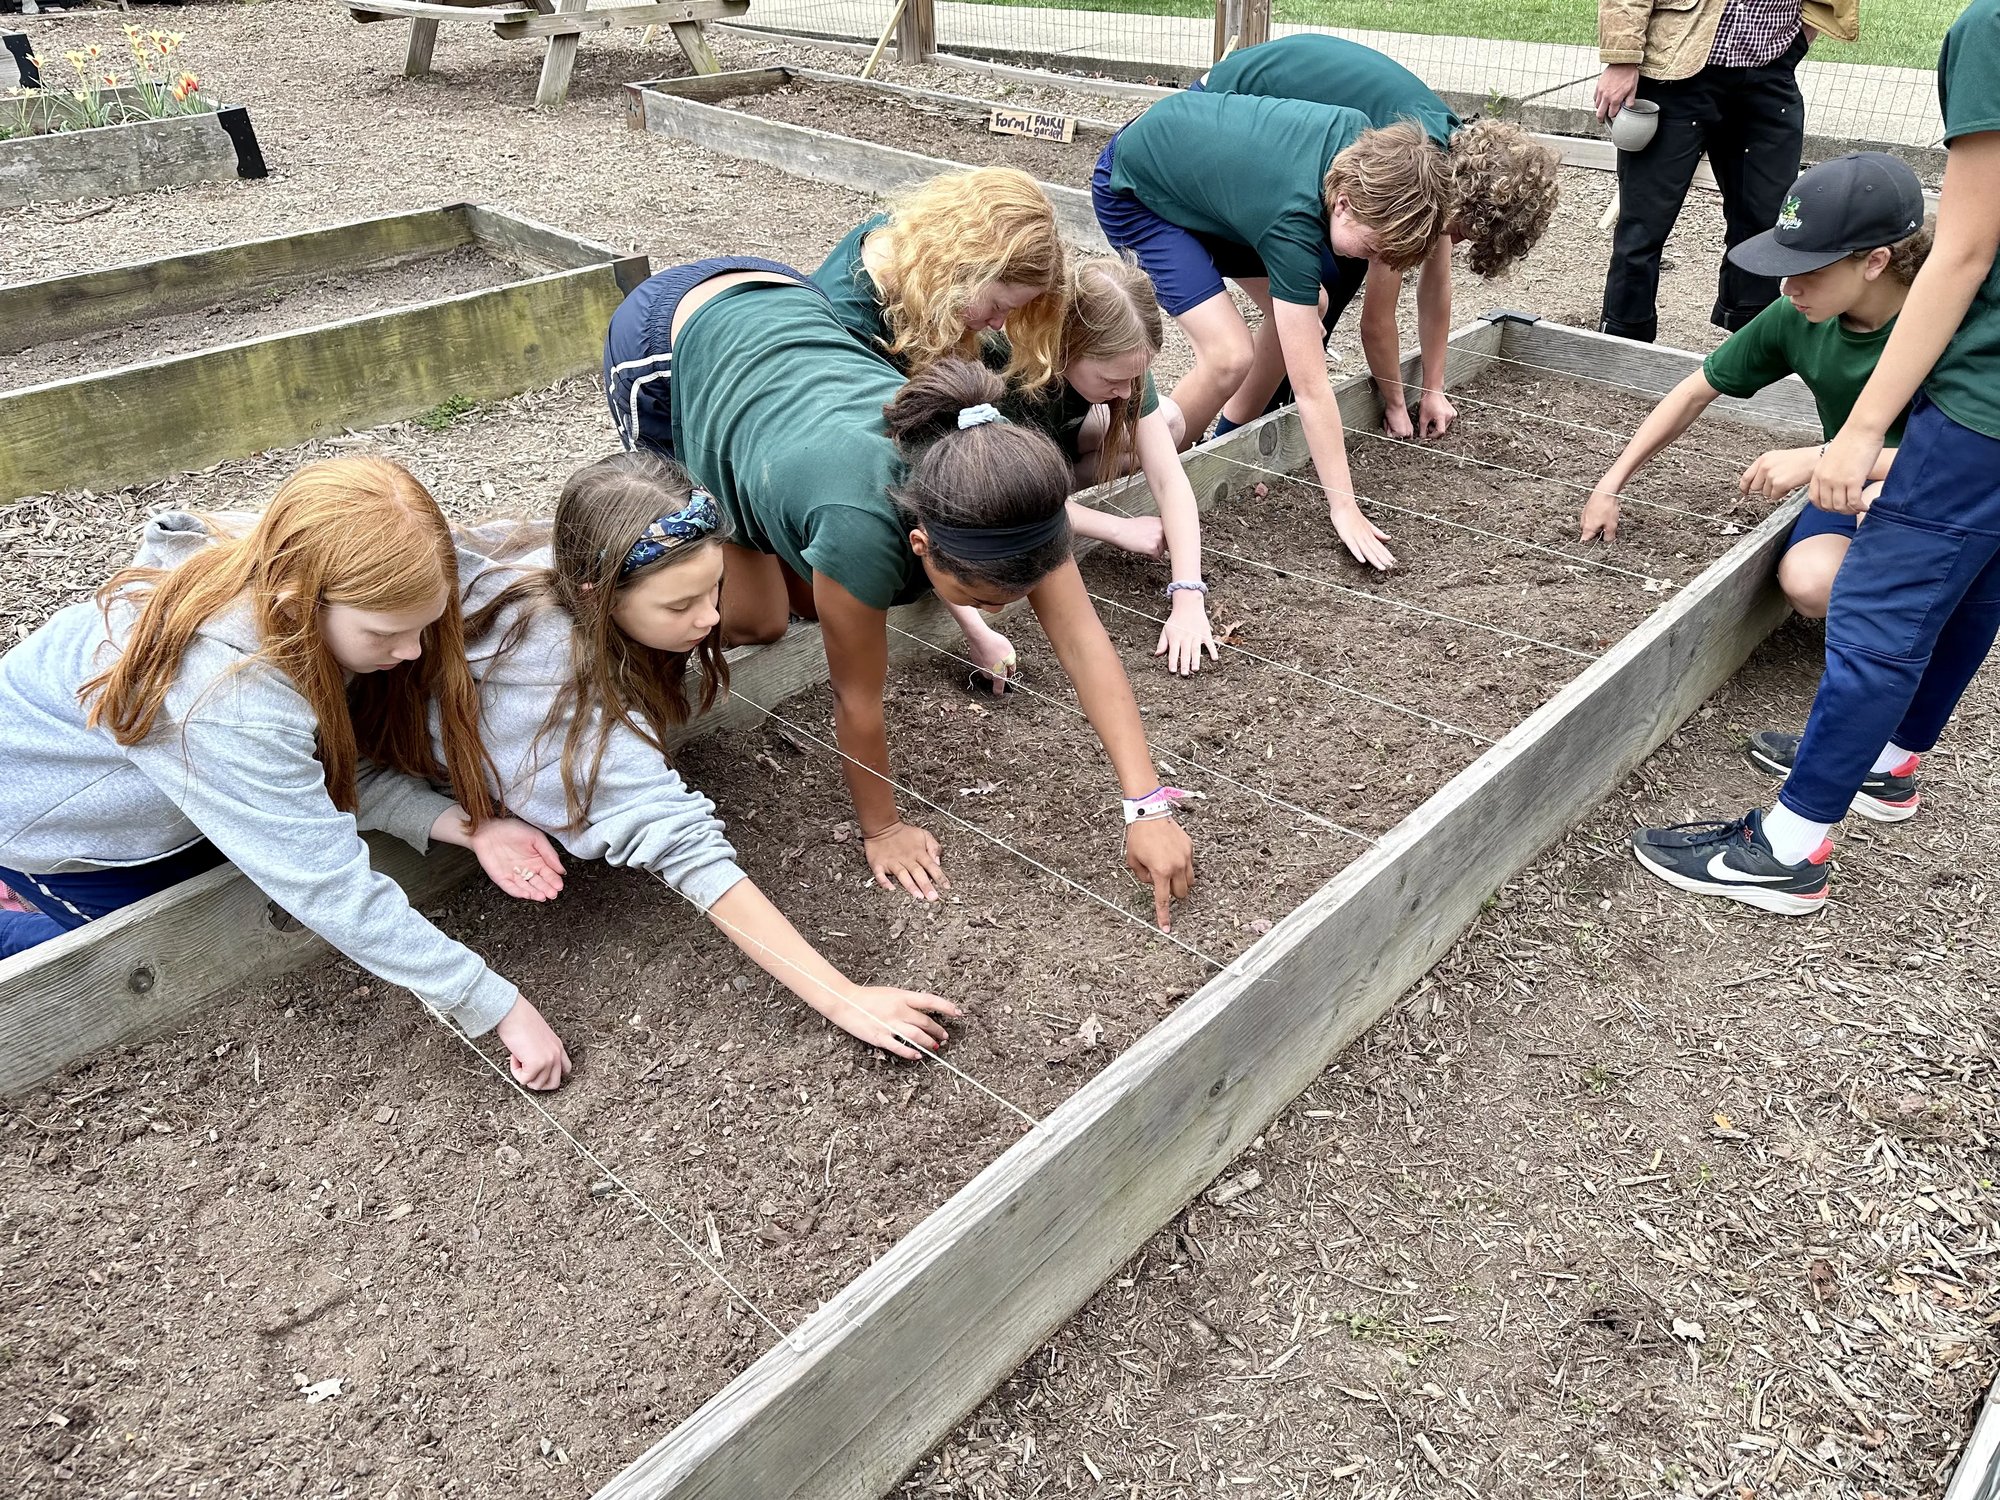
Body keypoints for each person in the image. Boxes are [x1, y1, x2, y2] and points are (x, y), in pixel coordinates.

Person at [603, 259, 1197, 924]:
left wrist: (1147, 805)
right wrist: (882, 829)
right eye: (982, 596)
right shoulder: (857, 529)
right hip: (686, 344)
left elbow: (1085, 644)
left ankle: (781, 545)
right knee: (750, 619)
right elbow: (857, 699)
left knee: (800, 593)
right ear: (920, 546)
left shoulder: (1009, 483)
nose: (1000, 609)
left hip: (790, 310)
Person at [0, 459, 574, 1089]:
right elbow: (324, 881)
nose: (412, 652)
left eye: (423, 627)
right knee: (138, 965)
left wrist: (469, 827)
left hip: (181, 793)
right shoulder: (224, 701)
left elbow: (312, 768)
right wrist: (496, 1006)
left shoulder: (305, 570)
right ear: (299, 601)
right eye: (388, 634)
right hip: (64, 831)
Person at [1629, 0, 2000, 914]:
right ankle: (1888, 763)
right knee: (1977, 579)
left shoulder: (1992, 27)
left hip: (1989, 398)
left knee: (1882, 601)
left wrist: (1862, 431)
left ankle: (1789, 851)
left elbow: (1968, 244)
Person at [454, 452, 962, 1059]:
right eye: (679, 606)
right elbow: (682, 843)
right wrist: (840, 996)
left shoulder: (570, 564)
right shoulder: (552, 684)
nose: (711, 617)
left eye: (712, 588)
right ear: (597, 593)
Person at [1091, 89, 1450, 570]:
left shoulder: (1359, 140)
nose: (1371, 263)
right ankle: (1164, 470)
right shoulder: (1294, 221)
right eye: (1371, 249)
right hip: (1135, 193)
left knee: (1311, 305)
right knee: (1229, 353)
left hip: (1201, 179)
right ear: (1342, 205)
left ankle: (1226, 439)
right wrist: (1343, 504)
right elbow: (1312, 389)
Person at [1582, 152, 1932, 620]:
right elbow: (1694, 391)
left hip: (1941, 491)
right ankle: (1884, 603)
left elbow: (1968, 457)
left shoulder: (1949, 324)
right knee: (1808, 583)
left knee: (1879, 505)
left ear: (1875, 262)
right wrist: (1611, 484)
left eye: (1810, 271)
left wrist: (1821, 456)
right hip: (1847, 482)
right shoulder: (1797, 316)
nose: (1789, 288)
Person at [1199, 34, 1561, 438]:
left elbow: (1436, 286)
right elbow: (1376, 321)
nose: (1454, 243)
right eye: (1461, 232)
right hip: (1221, 111)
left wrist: (1432, 388)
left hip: (1264, 113)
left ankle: (1265, 418)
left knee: (1332, 280)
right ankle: (1240, 432)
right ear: (1464, 202)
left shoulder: (1451, 161)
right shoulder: (1413, 178)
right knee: (1323, 282)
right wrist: (1394, 403)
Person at [1001, 255, 1216, 675]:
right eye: (1110, 379)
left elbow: (1169, 479)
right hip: (1008, 466)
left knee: (1169, 421)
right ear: (1067, 347)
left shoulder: (1125, 367)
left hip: (1056, 443)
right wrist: (1119, 527)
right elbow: (1001, 495)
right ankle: (1057, 489)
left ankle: (1059, 482)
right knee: (1017, 502)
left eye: (1135, 378)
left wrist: (1188, 595)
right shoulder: (1010, 372)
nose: (1126, 391)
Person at [1594, 0, 1858, 342]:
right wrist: (1621, 58)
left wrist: (1797, 41)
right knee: (1643, 226)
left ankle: (1753, 346)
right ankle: (1622, 342)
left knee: (1765, 225)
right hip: (1677, 71)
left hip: (1770, 73)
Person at [812, 167, 1067, 392]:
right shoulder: (851, 332)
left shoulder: (901, 238)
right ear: (962, 268)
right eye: (998, 306)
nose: (998, 323)